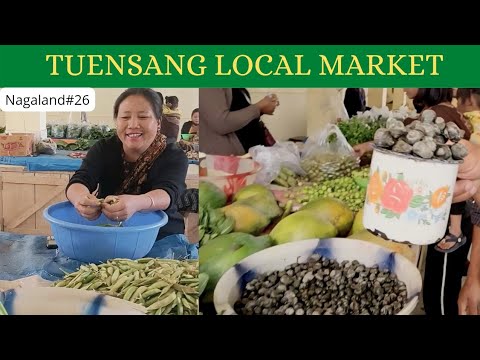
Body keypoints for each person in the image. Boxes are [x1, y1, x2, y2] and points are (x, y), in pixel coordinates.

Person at [66, 88, 193, 258]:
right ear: (116, 121)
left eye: (143, 117)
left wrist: (138, 202)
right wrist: (80, 200)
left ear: (158, 122)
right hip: (110, 235)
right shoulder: (104, 148)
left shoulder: (173, 154)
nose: (133, 124)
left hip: (161, 240)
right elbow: (80, 180)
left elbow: (170, 192)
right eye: (125, 117)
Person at [200, 88, 279, 156]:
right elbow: (221, 123)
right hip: (226, 162)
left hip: (248, 157)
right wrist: (258, 107)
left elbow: (237, 114)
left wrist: (263, 108)